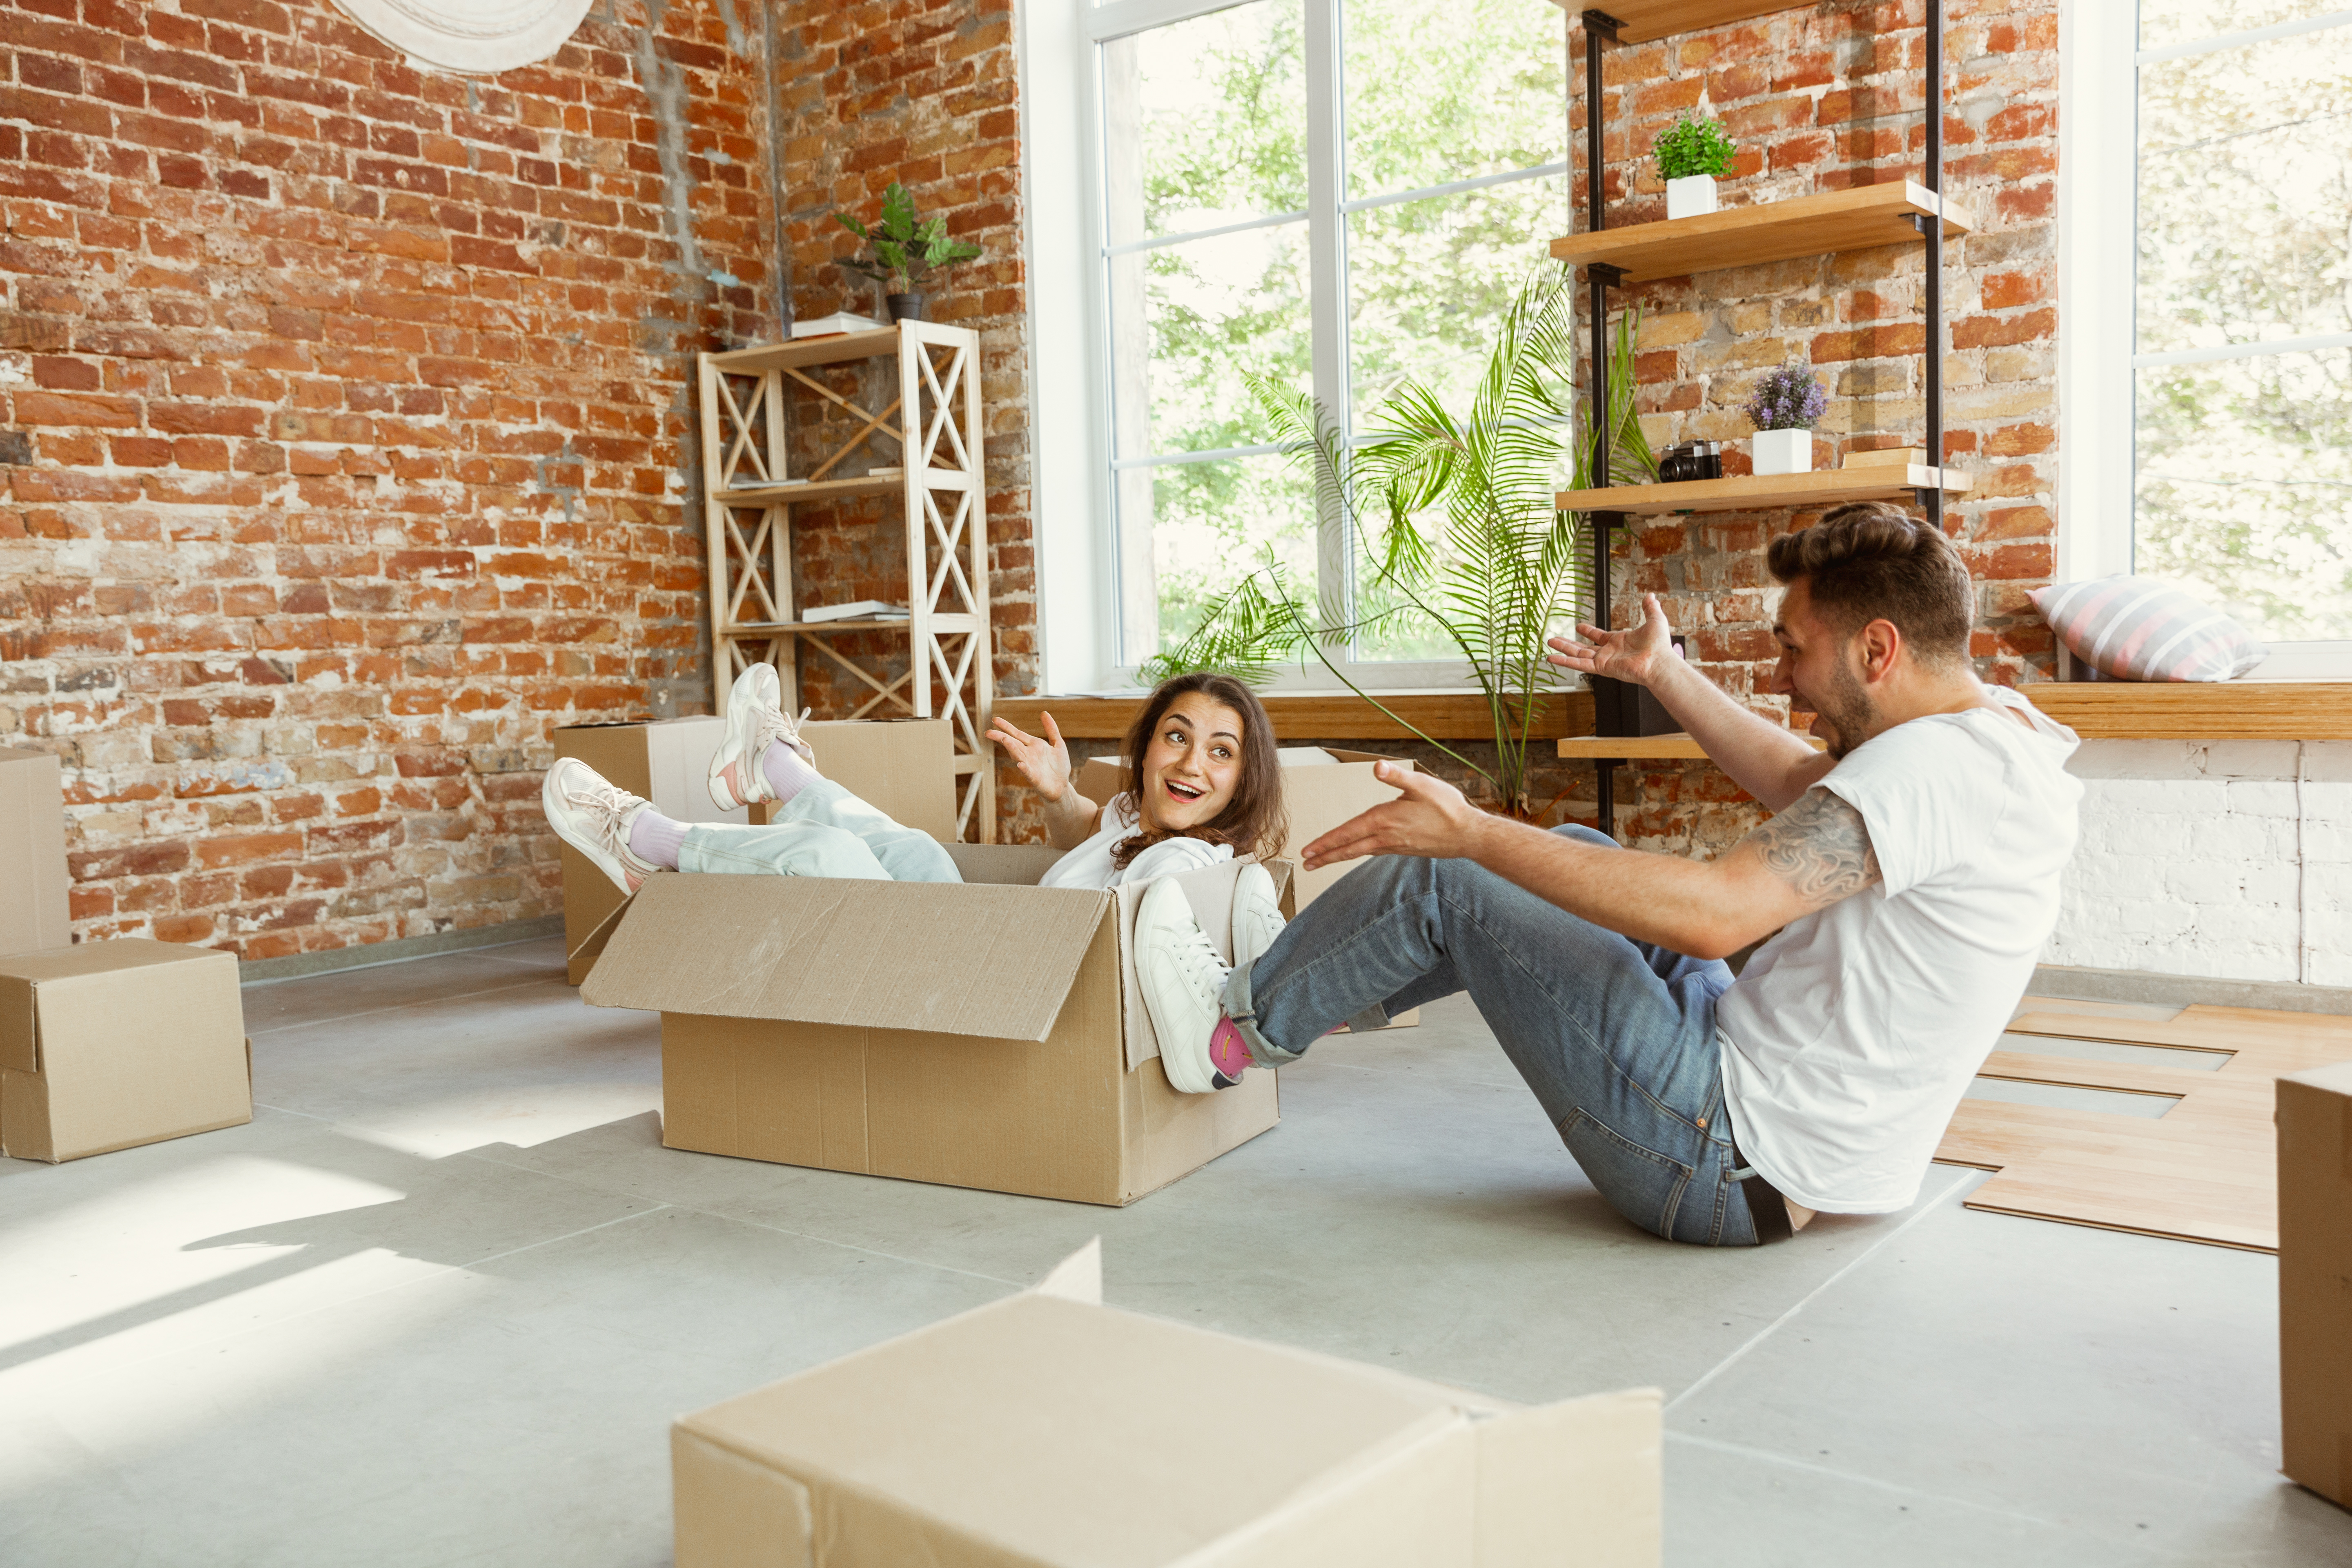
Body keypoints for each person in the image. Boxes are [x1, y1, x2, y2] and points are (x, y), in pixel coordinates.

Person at [1129, 502, 2085, 1244]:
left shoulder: (1938, 767)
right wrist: (1664, 674)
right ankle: (1319, 989)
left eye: (1795, 648)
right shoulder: (1983, 734)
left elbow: (1718, 916)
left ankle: (1229, 1037)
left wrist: (1472, 833)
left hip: (1724, 1158)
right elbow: (1801, 782)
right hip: (1769, 1115)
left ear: (1877, 649)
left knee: (1457, 877)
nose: (1786, 676)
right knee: (1580, 850)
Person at [541, 670, 1289, 1049]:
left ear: (1244, 777)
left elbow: (1161, 934)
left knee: (831, 857)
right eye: (1177, 736)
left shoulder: (1185, 864)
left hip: (990, 983)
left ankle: (649, 846)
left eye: (1222, 752)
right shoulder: (1140, 820)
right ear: (1149, 744)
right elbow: (1097, 838)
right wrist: (1063, 794)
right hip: (990, 939)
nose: (1193, 762)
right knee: (918, 850)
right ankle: (777, 773)